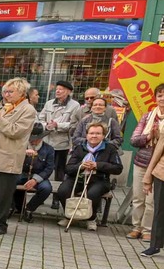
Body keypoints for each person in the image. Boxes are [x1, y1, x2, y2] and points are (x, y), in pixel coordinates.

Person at [0, 77, 37, 236]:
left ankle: (1, 225)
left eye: (11, 92)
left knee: (5, 193)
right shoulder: (6, 107)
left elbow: (15, 131)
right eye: (5, 91)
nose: (6, 95)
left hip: (10, 157)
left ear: (22, 93)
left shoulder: (28, 110)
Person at [56, 123, 122, 232]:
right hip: (79, 178)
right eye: (91, 133)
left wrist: (98, 165)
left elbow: (118, 168)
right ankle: (70, 215)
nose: (94, 136)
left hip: (99, 179)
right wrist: (81, 166)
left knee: (92, 194)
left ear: (103, 135)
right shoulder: (79, 148)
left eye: (98, 133)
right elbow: (68, 168)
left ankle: (91, 218)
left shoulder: (110, 149)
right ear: (86, 135)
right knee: (63, 190)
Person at [128, 83, 164, 241]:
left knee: (152, 200)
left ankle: (147, 230)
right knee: (138, 197)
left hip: (160, 166)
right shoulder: (147, 117)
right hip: (141, 162)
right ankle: (136, 227)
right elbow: (134, 140)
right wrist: (149, 136)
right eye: (160, 95)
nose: (163, 98)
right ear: (156, 98)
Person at [39, 80, 81, 208]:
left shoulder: (75, 105)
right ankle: (40, 195)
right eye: (57, 89)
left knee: (59, 172)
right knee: (41, 169)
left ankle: (56, 198)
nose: (58, 91)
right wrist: (46, 125)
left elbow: (74, 124)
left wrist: (58, 125)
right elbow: (40, 118)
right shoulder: (49, 103)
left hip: (61, 144)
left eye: (61, 89)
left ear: (68, 92)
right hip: (46, 142)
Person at [14, 131, 56, 223]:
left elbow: (49, 168)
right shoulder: (21, 146)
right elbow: (12, 159)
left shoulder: (49, 149)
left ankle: (29, 209)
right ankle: (17, 207)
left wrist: (35, 179)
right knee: (9, 183)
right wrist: (23, 153)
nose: (33, 141)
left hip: (40, 175)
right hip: (21, 173)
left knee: (46, 188)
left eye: (36, 139)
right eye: (31, 138)